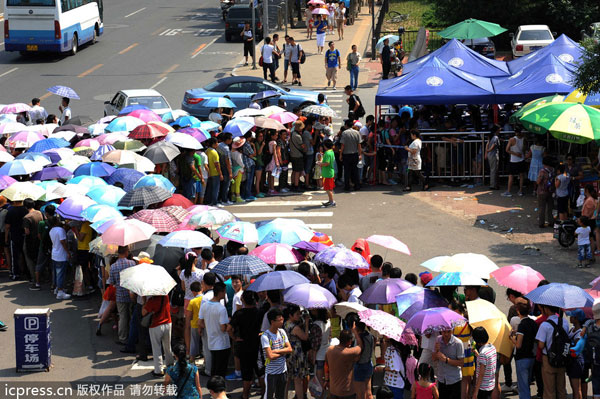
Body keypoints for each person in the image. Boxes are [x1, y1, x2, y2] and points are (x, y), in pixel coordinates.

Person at [229, 290, 261, 399]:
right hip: (258, 345)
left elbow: (229, 328)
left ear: (243, 300)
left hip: (244, 346)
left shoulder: (239, 314)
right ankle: (265, 393)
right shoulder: (259, 312)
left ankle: (245, 395)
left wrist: (234, 338)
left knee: (247, 373)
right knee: (260, 371)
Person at [535, 305, 569, 399]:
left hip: (548, 358)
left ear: (546, 309)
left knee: (549, 390)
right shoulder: (564, 322)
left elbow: (541, 345)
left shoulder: (545, 325)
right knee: (561, 388)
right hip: (562, 357)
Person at [199, 282, 231, 377]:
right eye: (224, 292)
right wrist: (228, 325)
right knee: (221, 371)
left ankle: (213, 388)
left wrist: (210, 326)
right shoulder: (221, 309)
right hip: (222, 343)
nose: (225, 294)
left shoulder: (204, 305)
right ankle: (219, 389)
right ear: (220, 293)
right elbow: (223, 328)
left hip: (211, 342)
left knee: (214, 368)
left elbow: (200, 322)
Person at [509, 301, 538, 399]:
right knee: (527, 383)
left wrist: (511, 338)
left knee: (523, 386)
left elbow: (518, 345)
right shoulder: (533, 323)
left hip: (522, 358)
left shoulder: (522, 325)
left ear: (518, 312)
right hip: (532, 356)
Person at [262, 308, 293, 399]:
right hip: (271, 373)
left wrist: (276, 351)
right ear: (272, 322)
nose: (282, 321)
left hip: (283, 371)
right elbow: (270, 356)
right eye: (279, 320)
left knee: (281, 396)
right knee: (269, 396)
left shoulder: (282, 332)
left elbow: (290, 349)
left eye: (282, 319)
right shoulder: (265, 336)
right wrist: (283, 352)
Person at [325, 328, 363, 399]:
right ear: (349, 341)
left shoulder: (329, 350)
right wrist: (355, 332)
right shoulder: (350, 352)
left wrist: (326, 380)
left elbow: (326, 366)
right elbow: (360, 346)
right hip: (347, 391)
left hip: (333, 390)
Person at [109, 246, 135, 343]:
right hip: (132, 293)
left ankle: (123, 338)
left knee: (123, 316)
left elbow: (112, 282)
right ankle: (133, 336)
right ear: (126, 252)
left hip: (120, 294)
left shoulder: (113, 266)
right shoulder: (132, 263)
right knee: (132, 316)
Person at [143, 293, 174, 377]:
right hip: (168, 323)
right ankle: (170, 365)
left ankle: (159, 370)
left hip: (155, 325)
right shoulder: (166, 297)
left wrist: (144, 301)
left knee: (156, 348)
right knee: (168, 347)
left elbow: (143, 312)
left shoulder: (151, 301)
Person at [284, 304, 310, 399]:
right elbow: (305, 337)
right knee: (297, 380)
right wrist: (306, 324)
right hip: (297, 354)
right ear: (291, 315)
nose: (299, 315)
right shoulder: (295, 328)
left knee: (287, 379)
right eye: (297, 314)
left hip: (288, 354)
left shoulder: (286, 324)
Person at [432, 328, 464, 399]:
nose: (446, 334)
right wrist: (436, 351)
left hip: (454, 380)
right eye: (444, 331)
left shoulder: (458, 343)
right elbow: (433, 358)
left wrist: (446, 360)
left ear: (452, 331)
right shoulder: (438, 340)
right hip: (442, 379)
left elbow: (461, 363)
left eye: (448, 331)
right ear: (441, 331)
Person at [49, 217, 71, 300]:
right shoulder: (60, 230)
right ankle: (60, 292)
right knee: (60, 274)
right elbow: (62, 242)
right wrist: (68, 252)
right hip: (61, 255)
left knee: (56, 273)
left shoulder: (51, 230)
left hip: (54, 254)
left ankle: (57, 288)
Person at [5, 199, 27, 281]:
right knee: (25, 255)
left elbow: (7, 226)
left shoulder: (10, 211)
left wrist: (6, 238)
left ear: (14, 201)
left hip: (14, 235)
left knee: (15, 255)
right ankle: (27, 273)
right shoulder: (26, 210)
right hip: (25, 235)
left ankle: (16, 274)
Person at [22, 198, 42, 290]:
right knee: (39, 260)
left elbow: (27, 232)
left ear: (25, 206)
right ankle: (42, 277)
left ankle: (34, 280)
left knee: (30, 261)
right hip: (39, 240)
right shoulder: (39, 213)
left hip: (30, 241)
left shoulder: (27, 217)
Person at [472, 327, 496, 399]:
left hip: (483, 387)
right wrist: (477, 355)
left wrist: (475, 392)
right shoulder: (492, 347)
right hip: (490, 384)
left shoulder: (483, 353)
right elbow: (487, 362)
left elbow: (481, 374)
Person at [502, 127, 527, 197]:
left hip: (513, 160)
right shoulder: (524, 139)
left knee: (511, 176)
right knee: (521, 175)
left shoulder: (512, 139)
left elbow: (507, 150)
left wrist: (515, 154)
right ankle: (520, 191)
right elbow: (524, 149)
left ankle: (509, 191)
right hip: (521, 159)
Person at [339, 119, 362, 192]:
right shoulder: (357, 133)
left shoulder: (344, 133)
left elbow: (343, 144)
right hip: (355, 154)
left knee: (347, 171)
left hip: (346, 154)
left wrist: (340, 154)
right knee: (355, 170)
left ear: (346, 125)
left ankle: (347, 186)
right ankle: (357, 185)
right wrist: (360, 154)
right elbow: (359, 145)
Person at [354, 322, 374, 399]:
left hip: (360, 365)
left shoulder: (359, 339)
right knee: (369, 393)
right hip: (369, 364)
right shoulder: (370, 335)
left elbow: (357, 356)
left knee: (360, 394)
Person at [536, 156, 555, 228]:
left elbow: (538, 181)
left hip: (542, 191)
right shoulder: (553, 170)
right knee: (550, 207)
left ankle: (541, 223)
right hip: (550, 191)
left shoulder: (542, 171)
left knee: (541, 207)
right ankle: (551, 221)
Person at [217, 133, 234, 206]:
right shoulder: (226, 148)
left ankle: (221, 199)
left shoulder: (219, 145)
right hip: (225, 168)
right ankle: (224, 199)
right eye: (231, 139)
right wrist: (230, 173)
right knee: (226, 185)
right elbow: (227, 161)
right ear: (227, 140)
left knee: (221, 185)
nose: (231, 140)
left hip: (220, 166)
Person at [204, 138, 222, 206]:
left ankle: (209, 201)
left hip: (209, 173)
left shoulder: (207, 151)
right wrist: (220, 174)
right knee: (216, 189)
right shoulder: (214, 152)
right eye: (217, 143)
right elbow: (217, 164)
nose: (218, 144)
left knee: (210, 188)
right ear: (214, 144)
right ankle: (214, 202)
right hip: (215, 172)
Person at [290, 120, 306, 192]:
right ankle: (296, 185)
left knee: (294, 170)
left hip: (293, 155)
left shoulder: (292, 133)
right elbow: (302, 146)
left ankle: (293, 183)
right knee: (297, 171)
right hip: (298, 155)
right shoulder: (298, 136)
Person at [485, 125, 500, 190]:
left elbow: (487, 144)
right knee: (494, 170)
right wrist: (489, 150)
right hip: (493, 154)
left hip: (489, 154)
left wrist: (487, 151)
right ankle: (493, 185)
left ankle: (493, 184)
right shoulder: (495, 137)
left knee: (492, 169)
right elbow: (494, 145)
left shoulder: (490, 136)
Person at [231, 137, 246, 203]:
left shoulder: (230, 151)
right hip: (239, 169)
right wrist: (243, 166)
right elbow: (240, 162)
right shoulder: (238, 153)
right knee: (238, 184)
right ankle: (238, 197)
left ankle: (233, 196)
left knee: (233, 184)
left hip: (233, 168)